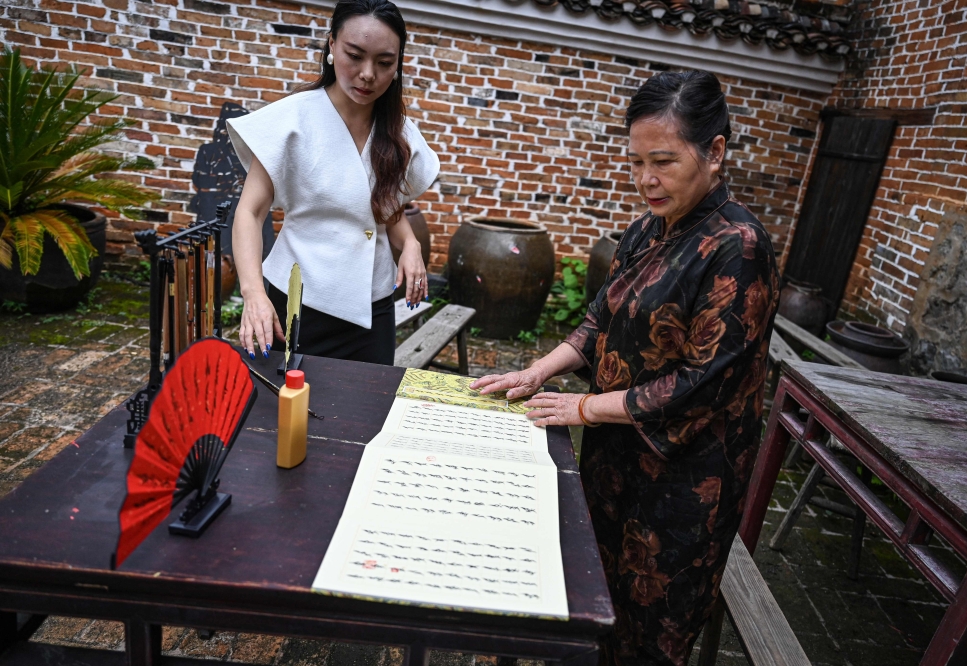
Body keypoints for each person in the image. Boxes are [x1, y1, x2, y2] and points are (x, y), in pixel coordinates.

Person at [472, 71, 780, 665]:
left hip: (684, 477)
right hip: (617, 452)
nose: (645, 180)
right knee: (594, 595)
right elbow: (598, 322)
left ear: (715, 152)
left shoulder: (738, 247)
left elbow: (700, 383)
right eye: (636, 161)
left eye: (662, 161)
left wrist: (583, 408)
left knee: (649, 627)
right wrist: (538, 371)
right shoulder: (647, 229)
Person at [228, 0, 439, 365]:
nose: (368, 74)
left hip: (372, 311)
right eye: (354, 55)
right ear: (331, 46)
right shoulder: (292, 119)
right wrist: (253, 293)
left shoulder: (399, 133)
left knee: (364, 416)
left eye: (385, 62)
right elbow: (250, 211)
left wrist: (410, 246)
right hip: (294, 306)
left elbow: (386, 213)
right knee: (280, 416)